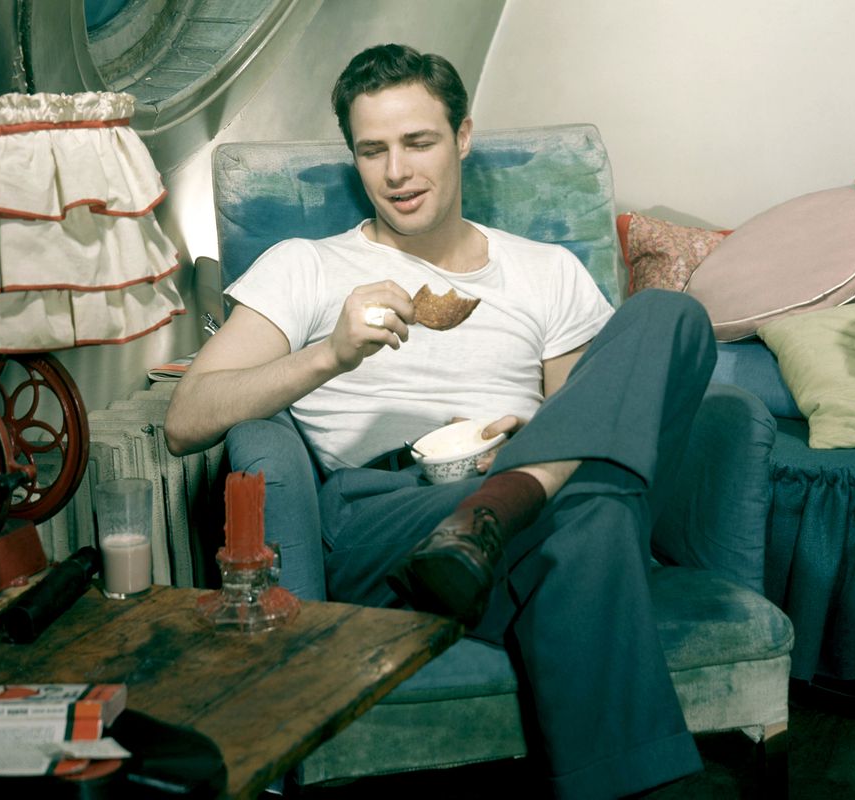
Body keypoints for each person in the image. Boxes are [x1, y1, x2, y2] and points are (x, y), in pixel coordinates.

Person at [165, 43, 717, 799]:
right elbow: (187, 418)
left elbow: (592, 421)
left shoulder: (545, 270)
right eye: (373, 150)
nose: (397, 172)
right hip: (381, 513)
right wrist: (328, 354)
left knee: (669, 317)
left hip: (503, 501)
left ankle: (503, 504)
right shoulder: (306, 267)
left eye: (419, 142)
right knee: (590, 511)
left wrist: (531, 434)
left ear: (462, 136)